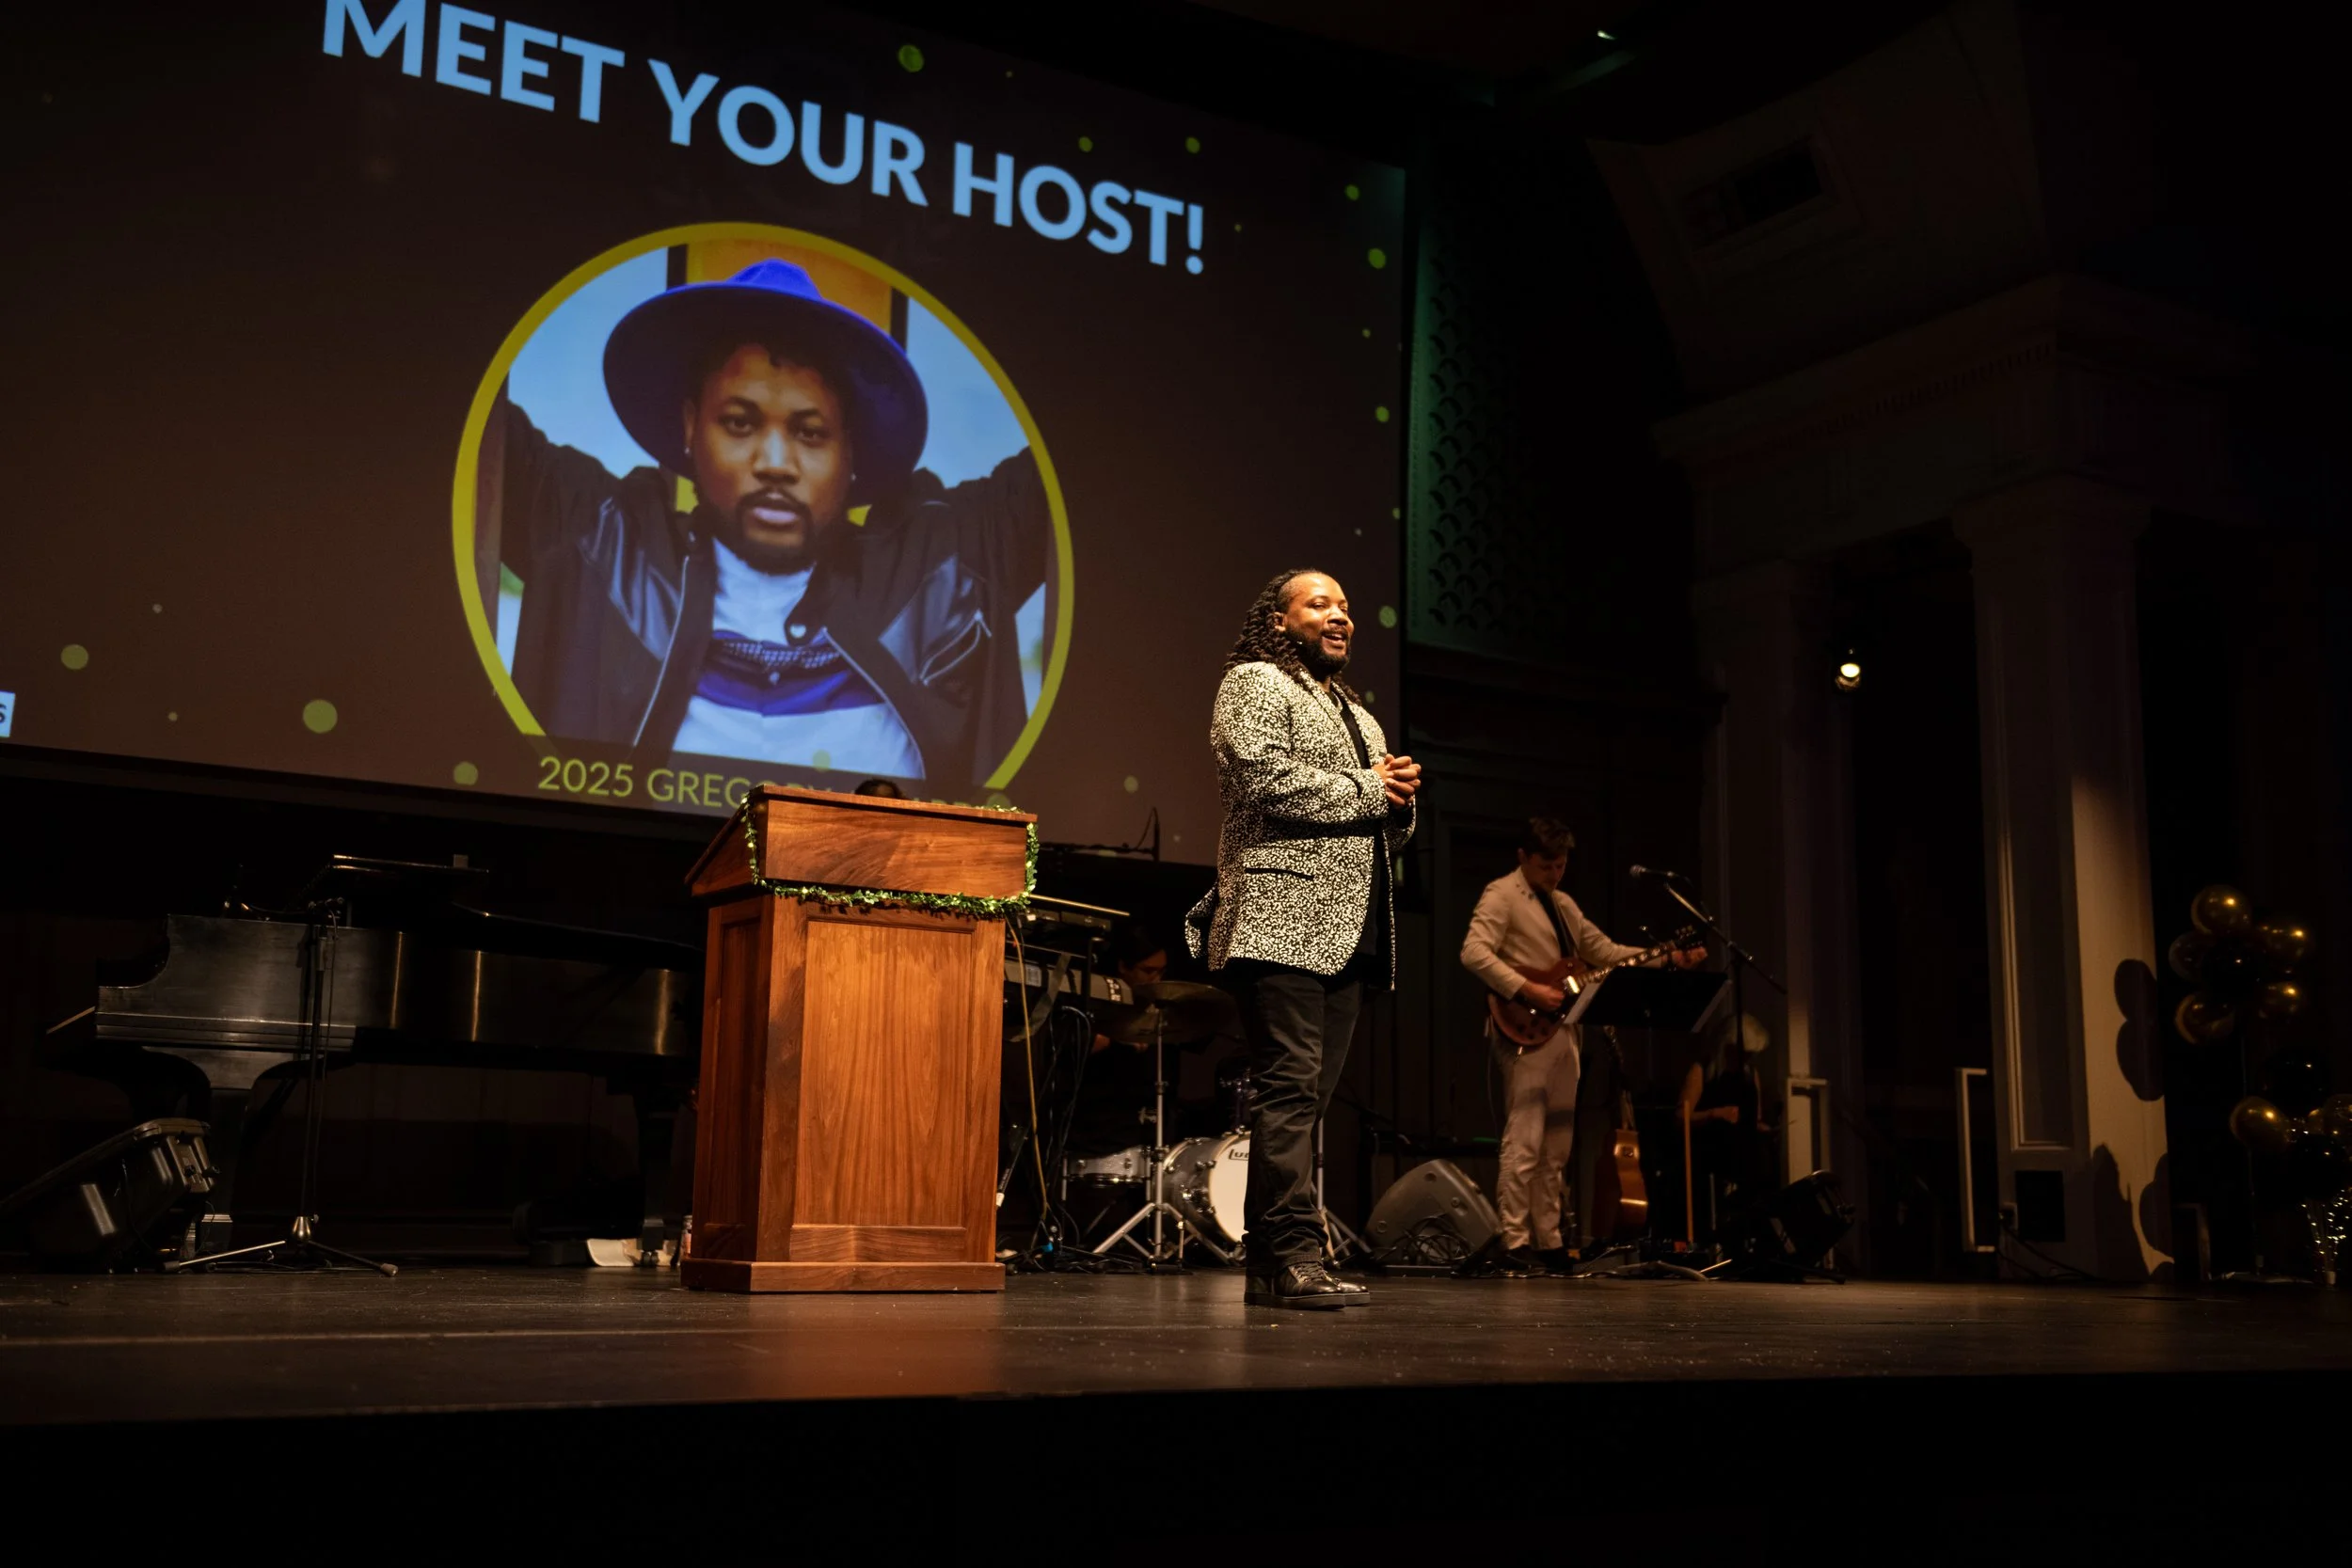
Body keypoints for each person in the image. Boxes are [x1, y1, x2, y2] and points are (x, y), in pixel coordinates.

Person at [488, 258, 1048, 789]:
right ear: (690, 426)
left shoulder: (948, 565)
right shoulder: (593, 536)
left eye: (810, 432)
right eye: (739, 423)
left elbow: (1090, 434)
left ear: (851, 451)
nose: (775, 462)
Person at [1186, 569, 1419, 1308]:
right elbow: (1261, 778)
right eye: (1321, 604)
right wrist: (1370, 789)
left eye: (1347, 606)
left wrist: (1401, 800)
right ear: (1280, 622)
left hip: (1348, 925)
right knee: (1287, 1095)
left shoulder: (1359, 713)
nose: (1341, 616)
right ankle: (1293, 1255)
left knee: (1305, 1103)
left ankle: (1271, 1267)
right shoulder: (1254, 681)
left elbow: (1377, 818)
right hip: (1280, 917)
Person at [1460, 817, 1704, 1274]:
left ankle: (1549, 1240)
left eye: (1562, 864)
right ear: (1523, 858)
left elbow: (1606, 952)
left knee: (1558, 1142)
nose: (1556, 872)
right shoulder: (1502, 895)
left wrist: (1669, 957)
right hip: (1525, 1026)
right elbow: (1474, 952)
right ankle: (1514, 1238)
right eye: (1547, 865)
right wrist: (1526, 989)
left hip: (1565, 1028)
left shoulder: (1564, 905)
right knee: (1526, 1135)